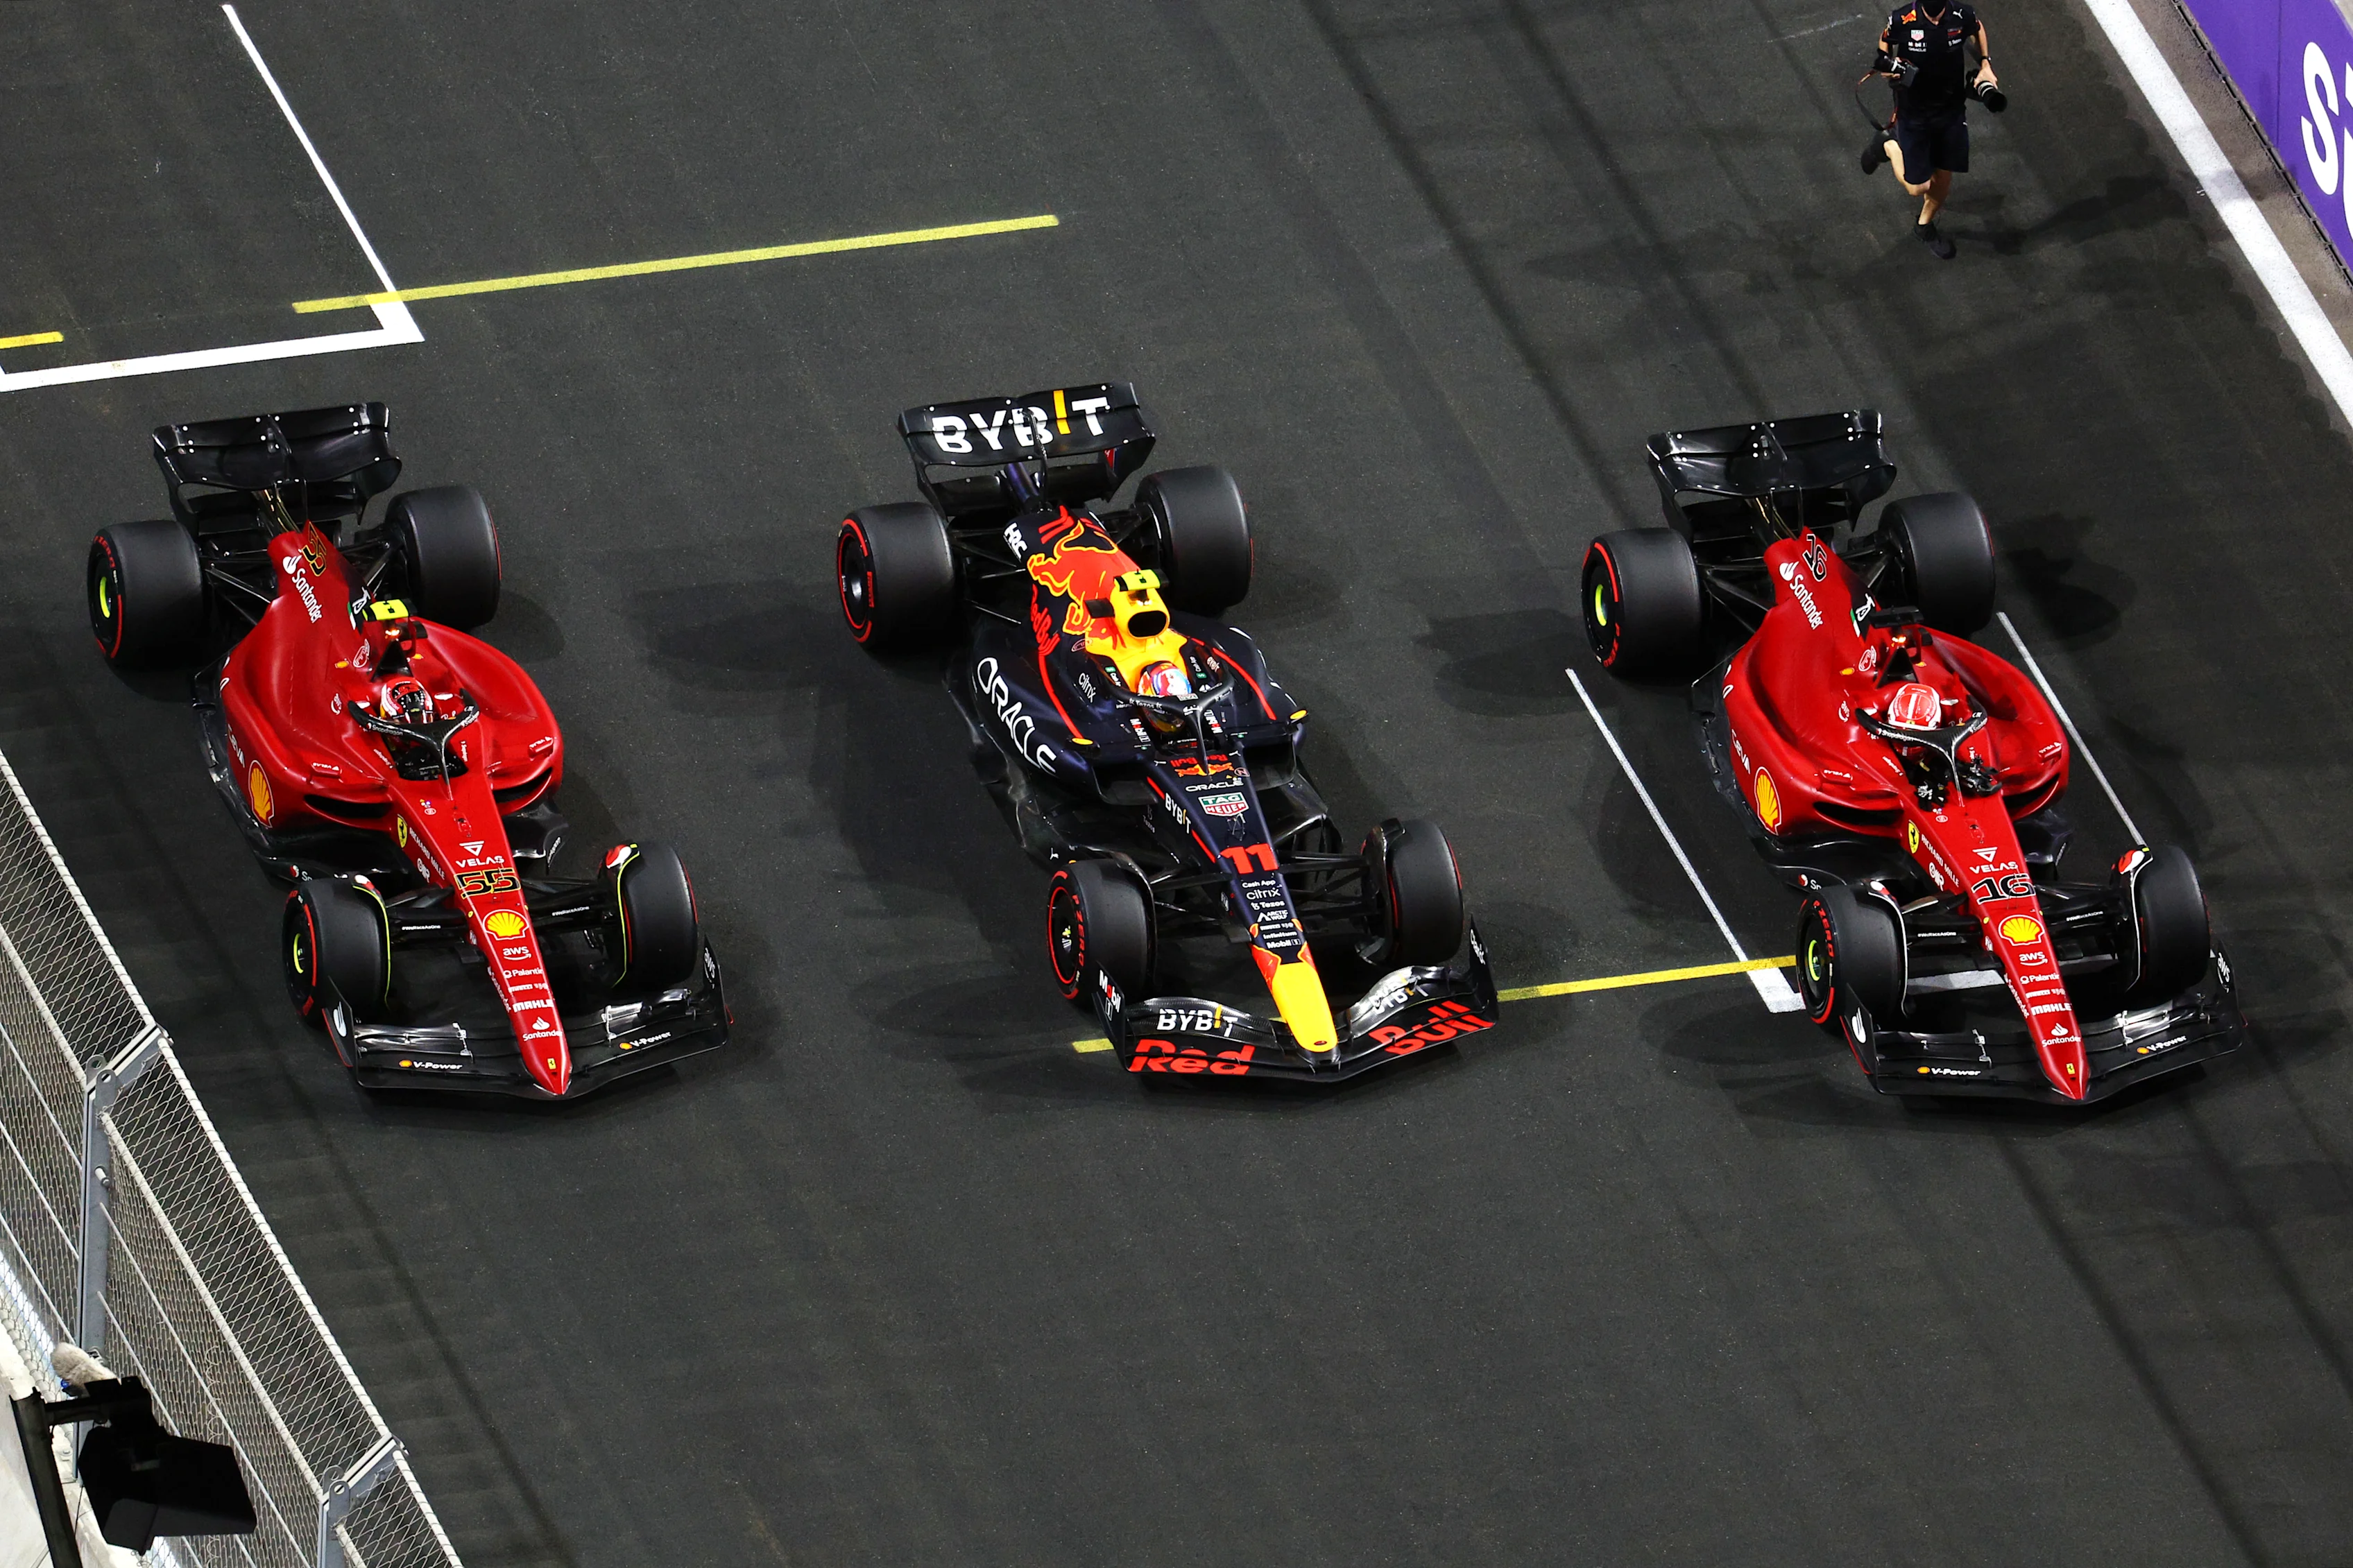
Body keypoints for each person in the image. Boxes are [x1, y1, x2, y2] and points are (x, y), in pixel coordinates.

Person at [1860, 3, 1999, 259]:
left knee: (1943, 178)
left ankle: (1923, 226)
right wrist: (1889, 65)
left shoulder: (1960, 15)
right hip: (1914, 113)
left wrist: (1985, 64)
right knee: (1918, 187)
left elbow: (1977, 28)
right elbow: (1885, 41)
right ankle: (1889, 146)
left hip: (1950, 110)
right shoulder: (1903, 19)